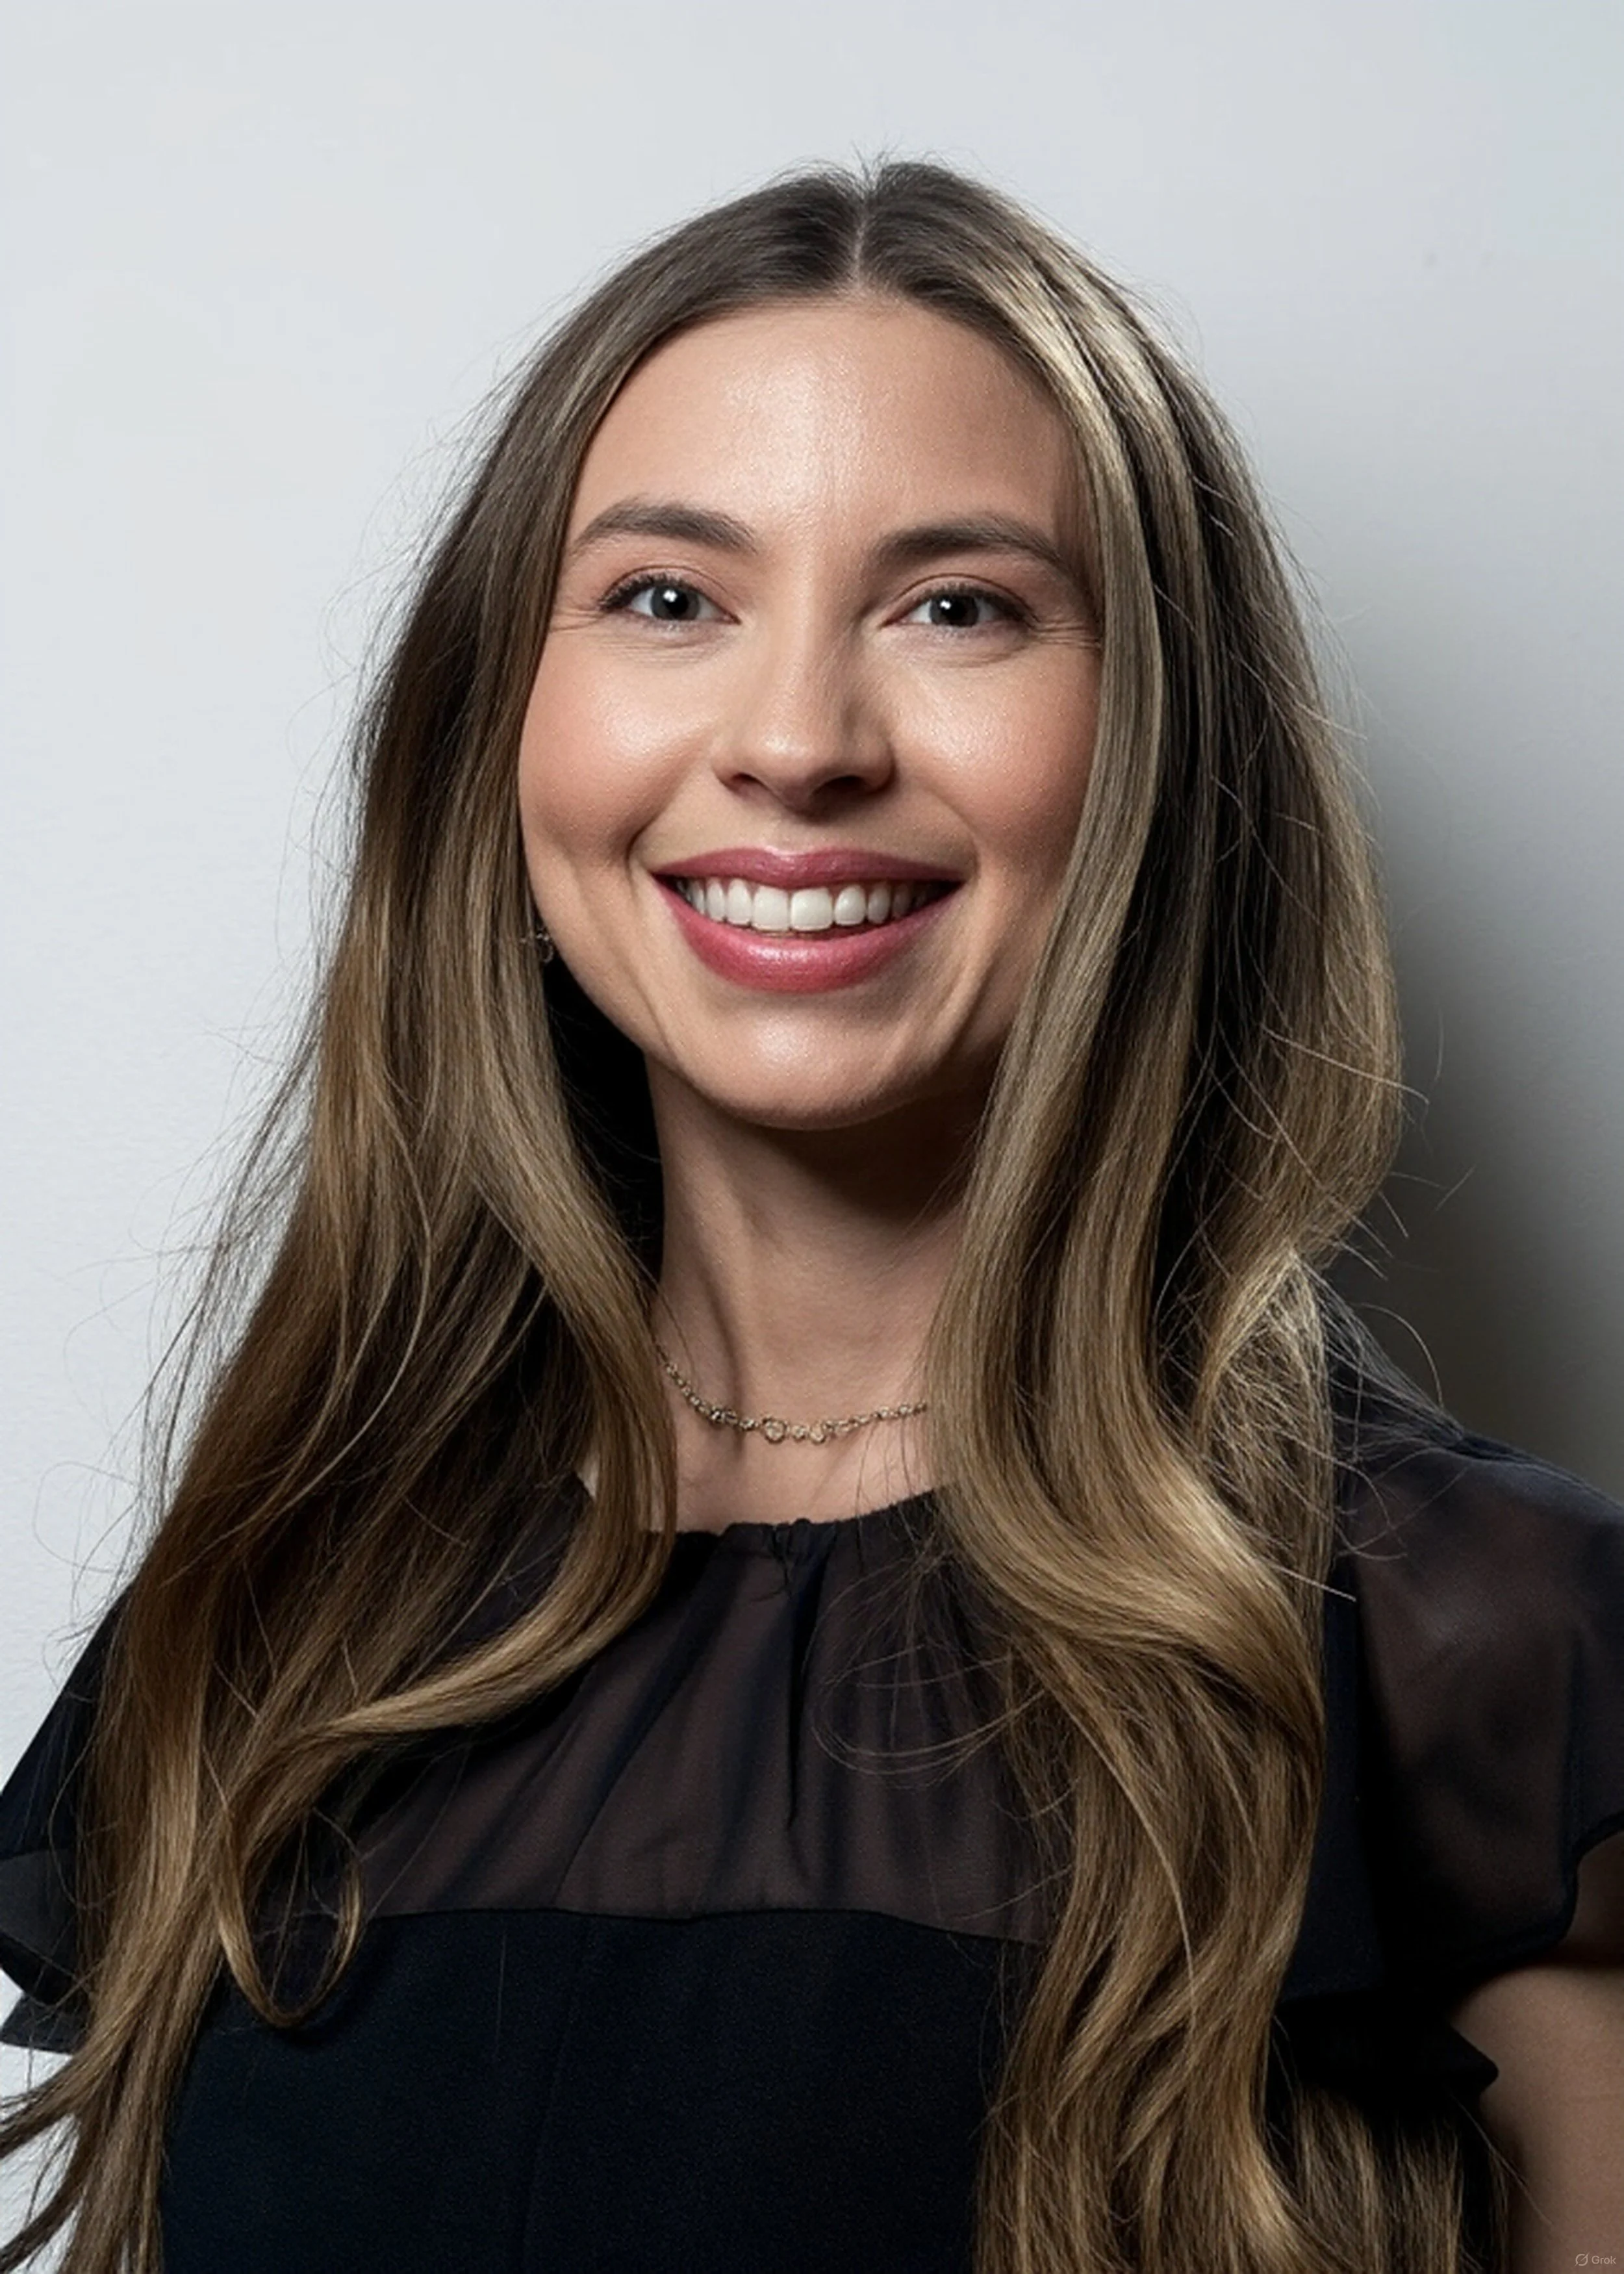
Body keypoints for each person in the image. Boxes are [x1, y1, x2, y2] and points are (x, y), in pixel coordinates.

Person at [1, 159, 1620, 2274]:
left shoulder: (1484, 1662)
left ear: (1152, 735)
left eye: (958, 604)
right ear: (503, 719)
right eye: (669, 597)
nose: (793, 742)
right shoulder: (274, 1611)